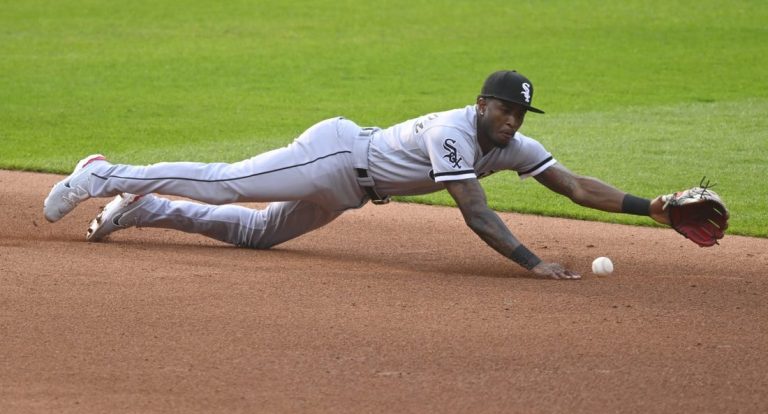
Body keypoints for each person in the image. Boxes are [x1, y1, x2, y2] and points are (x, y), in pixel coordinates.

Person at [44, 70, 671, 280]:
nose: (512, 121)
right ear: (483, 104)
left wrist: (653, 209)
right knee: (228, 181)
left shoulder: (510, 144)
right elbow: (475, 212)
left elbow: (577, 186)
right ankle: (101, 175)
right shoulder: (456, 132)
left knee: (254, 235)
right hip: (338, 155)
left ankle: (145, 207)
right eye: (505, 109)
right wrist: (534, 263)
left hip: (351, 188)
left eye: (520, 113)